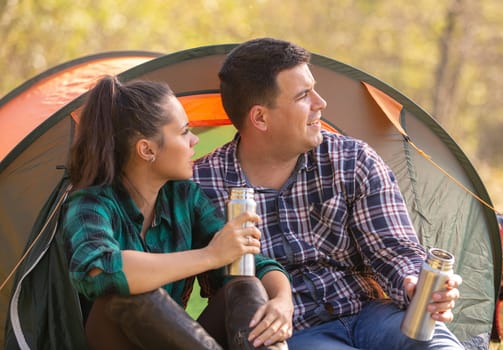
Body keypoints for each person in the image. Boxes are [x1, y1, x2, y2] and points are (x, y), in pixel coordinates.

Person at [192, 37, 464, 349]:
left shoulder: (352, 159)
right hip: (296, 333)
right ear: (260, 118)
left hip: (373, 314)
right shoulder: (203, 187)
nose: (321, 103)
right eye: (303, 96)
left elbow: (394, 248)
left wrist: (414, 285)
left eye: (314, 89)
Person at [61, 76, 293, 350]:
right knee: (126, 292)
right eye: (184, 132)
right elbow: (100, 269)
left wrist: (282, 300)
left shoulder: (183, 197)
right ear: (147, 149)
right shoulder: (90, 204)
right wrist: (209, 255)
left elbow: (251, 264)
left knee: (243, 286)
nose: (194, 140)